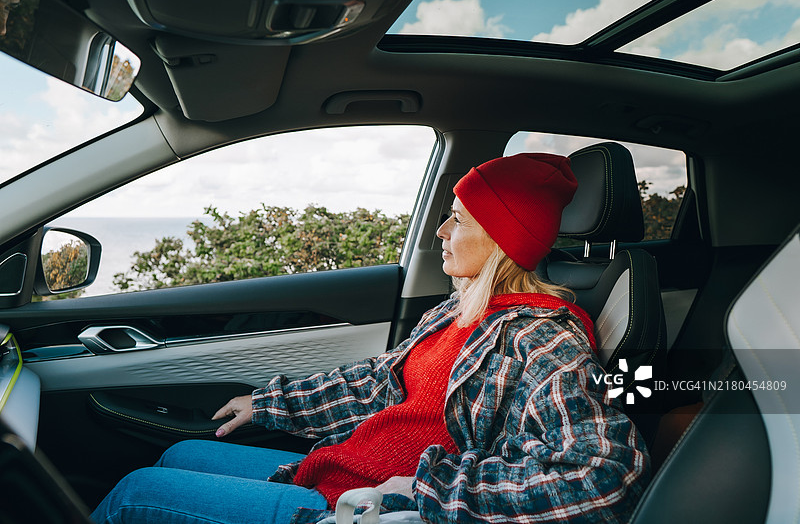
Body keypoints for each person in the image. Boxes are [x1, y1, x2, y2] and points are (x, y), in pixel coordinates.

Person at [91, 153, 651, 524]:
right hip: (336, 472)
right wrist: (271, 402)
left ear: (502, 237)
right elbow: (379, 386)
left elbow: (599, 476)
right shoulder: (463, 309)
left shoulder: (543, 340)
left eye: (457, 219)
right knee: (177, 452)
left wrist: (423, 490)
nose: (440, 232)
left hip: (359, 510)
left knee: (135, 493)